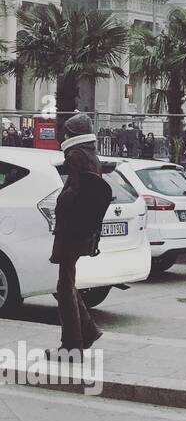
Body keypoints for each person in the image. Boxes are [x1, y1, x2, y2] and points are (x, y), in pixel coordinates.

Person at [48, 113, 113, 355]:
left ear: (72, 135)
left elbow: (74, 191)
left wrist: (59, 204)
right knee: (67, 283)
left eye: (66, 132)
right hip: (84, 229)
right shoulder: (92, 157)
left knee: (64, 285)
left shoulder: (75, 156)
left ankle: (72, 346)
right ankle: (87, 332)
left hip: (71, 229)